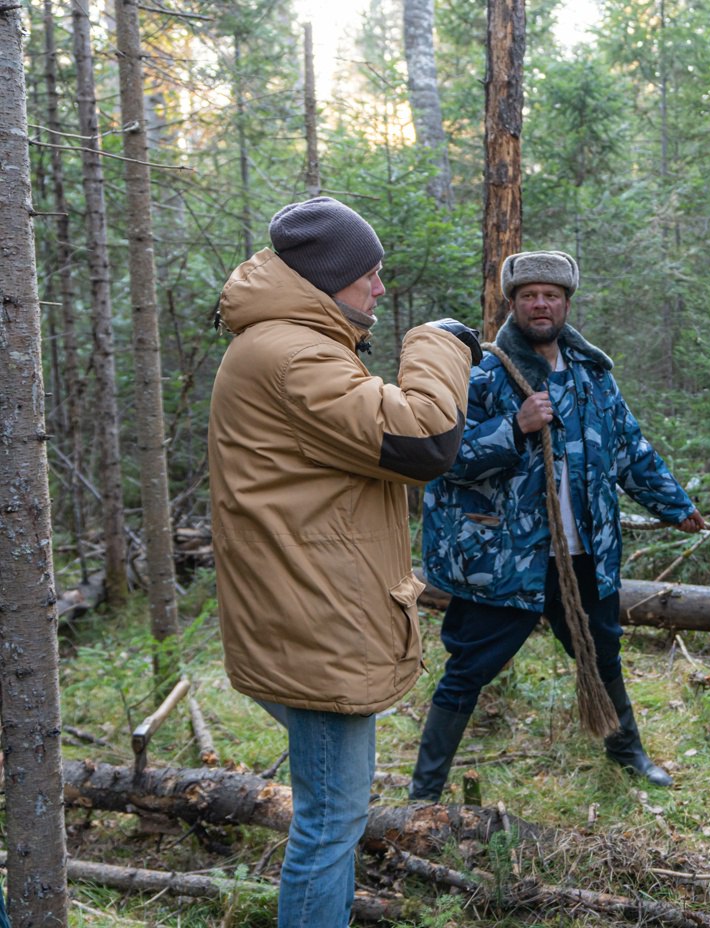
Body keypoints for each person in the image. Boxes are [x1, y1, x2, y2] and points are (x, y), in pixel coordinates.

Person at [208, 196, 479, 927]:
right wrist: (437, 344)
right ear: (329, 278)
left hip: (304, 611)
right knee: (331, 822)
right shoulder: (293, 354)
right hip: (314, 622)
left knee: (332, 814)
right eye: (370, 274)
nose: (380, 289)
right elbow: (423, 439)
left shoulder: (287, 344)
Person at [411, 250, 705, 802]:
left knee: (601, 653)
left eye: (551, 295)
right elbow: (442, 457)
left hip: (583, 553)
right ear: (513, 304)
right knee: (468, 668)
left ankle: (627, 752)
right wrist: (515, 427)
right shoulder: (483, 374)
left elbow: (629, 449)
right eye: (529, 296)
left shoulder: (593, 375)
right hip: (504, 560)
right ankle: (424, 793)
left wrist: (675, 505)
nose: (540, 304)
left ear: (567, 303)